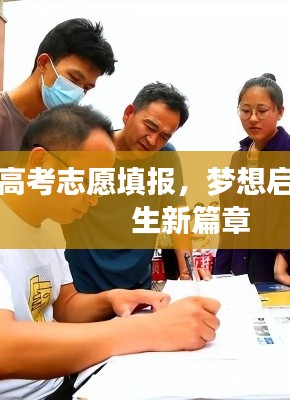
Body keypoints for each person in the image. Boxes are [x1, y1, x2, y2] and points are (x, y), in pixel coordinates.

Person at [0, 104, 221, 400]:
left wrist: (111, 299)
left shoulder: (48, 225)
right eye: (87, 183)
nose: (94, 199)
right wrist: (149, 330)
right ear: (40, 163)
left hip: (55, 385)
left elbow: (65, 306)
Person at [0, 18, 116, 217]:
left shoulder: (57, 132)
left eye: (86, 88)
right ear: (43, 63)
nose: (78, 92)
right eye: (74, 79)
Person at [65, 82, 204, 294]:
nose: (153, 140)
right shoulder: (92, 150)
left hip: (137, 287)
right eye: (150, 126)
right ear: (129, 113)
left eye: (164, 136)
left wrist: (187, 271)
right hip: (84, 287)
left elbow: (176, 214)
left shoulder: (165, 157)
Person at [213, 73, 290, 295]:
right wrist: (219, 274)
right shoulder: (238, 157)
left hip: (279, 270)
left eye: (262, 111)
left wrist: (282, 263)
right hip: (240, 270)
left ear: (280, 112)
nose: (253, 118)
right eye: (245, 111)